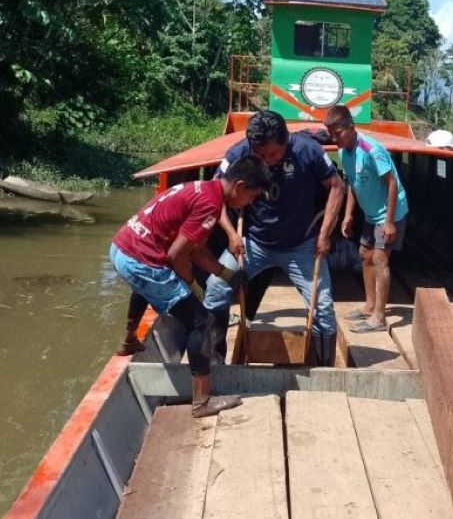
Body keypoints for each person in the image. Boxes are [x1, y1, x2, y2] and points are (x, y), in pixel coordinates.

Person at [109, 156, 272, 418]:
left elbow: (194, 251)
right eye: (252, 196)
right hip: (141, 261)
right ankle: (202, 401)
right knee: (201, 321)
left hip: (121, 249)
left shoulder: (204, 189)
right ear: (240, 186)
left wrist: (227, 274)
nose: (250, 203)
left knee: (144, 286)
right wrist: (194, 287)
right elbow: (176, 256)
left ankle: (128, 340)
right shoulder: (210, 206)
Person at [204, 111, 346, 365]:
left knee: (323, 309)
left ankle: (322, 370)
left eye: (274, 154)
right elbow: (213, 194)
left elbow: (337, 186)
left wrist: (325, 234)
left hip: (301, 245)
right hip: (252, 244)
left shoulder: (307, 150)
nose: (267, 161)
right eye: (261, 155)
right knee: (216, 289)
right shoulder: (238, 153)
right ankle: (215, 365)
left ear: (286, 141)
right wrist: (230, 233)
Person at [323, 105, 409, 333]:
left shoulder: (372, 150)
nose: (334, 138)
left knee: (380, 258)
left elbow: (391, 183)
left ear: (351, 127)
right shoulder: (343, 152)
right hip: (370, 214)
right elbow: (352, 183)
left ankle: (379, 318)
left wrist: (389, 222)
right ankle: (370, 306)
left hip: (390, 212)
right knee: (364, 255)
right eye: (330, 133)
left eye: (337, 133)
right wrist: (349, 215)